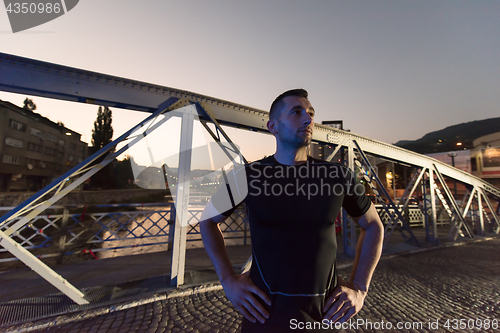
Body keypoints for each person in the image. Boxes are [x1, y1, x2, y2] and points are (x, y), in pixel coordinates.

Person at [200, 89, 384, 332]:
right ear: (273, 126)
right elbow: (207, 221)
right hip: (264, 318)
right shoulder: (247, 176)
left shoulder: (337, 176)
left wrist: (360, 287)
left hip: (324, 317)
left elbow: (373, 225)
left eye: (310, 113)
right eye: (297, 112)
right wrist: (228, 280)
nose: (308, 119)